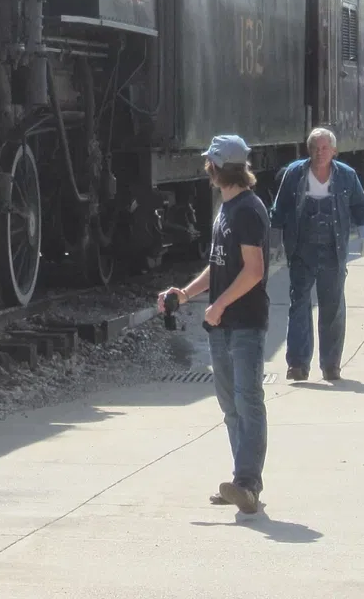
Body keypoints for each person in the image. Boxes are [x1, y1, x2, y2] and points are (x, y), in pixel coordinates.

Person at [160, 134, 269, 514]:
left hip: (244, 324)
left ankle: (247, 485)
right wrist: (185, 294)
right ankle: (242, 478)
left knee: (248, 400)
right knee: (230, 405)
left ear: (219, 167)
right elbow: (220, 265)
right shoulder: (226, 208)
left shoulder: (249, 210)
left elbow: (254, 271)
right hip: (222, 325)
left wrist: (219, 305)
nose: (206, 167)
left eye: (210, 163)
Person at [269, 128, 364, 382]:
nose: (320, 153)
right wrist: (274, 244)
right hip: (301, 250)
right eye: (315, 148)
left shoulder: (346, 176)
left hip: (333, 250)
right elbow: (279, 209)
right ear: (309, 150)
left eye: (324, 148)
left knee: (333, 308)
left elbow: (361, 206)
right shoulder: (295, 174)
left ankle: (331, 365)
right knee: (299, 306)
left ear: (334, 151)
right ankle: (297, 364)